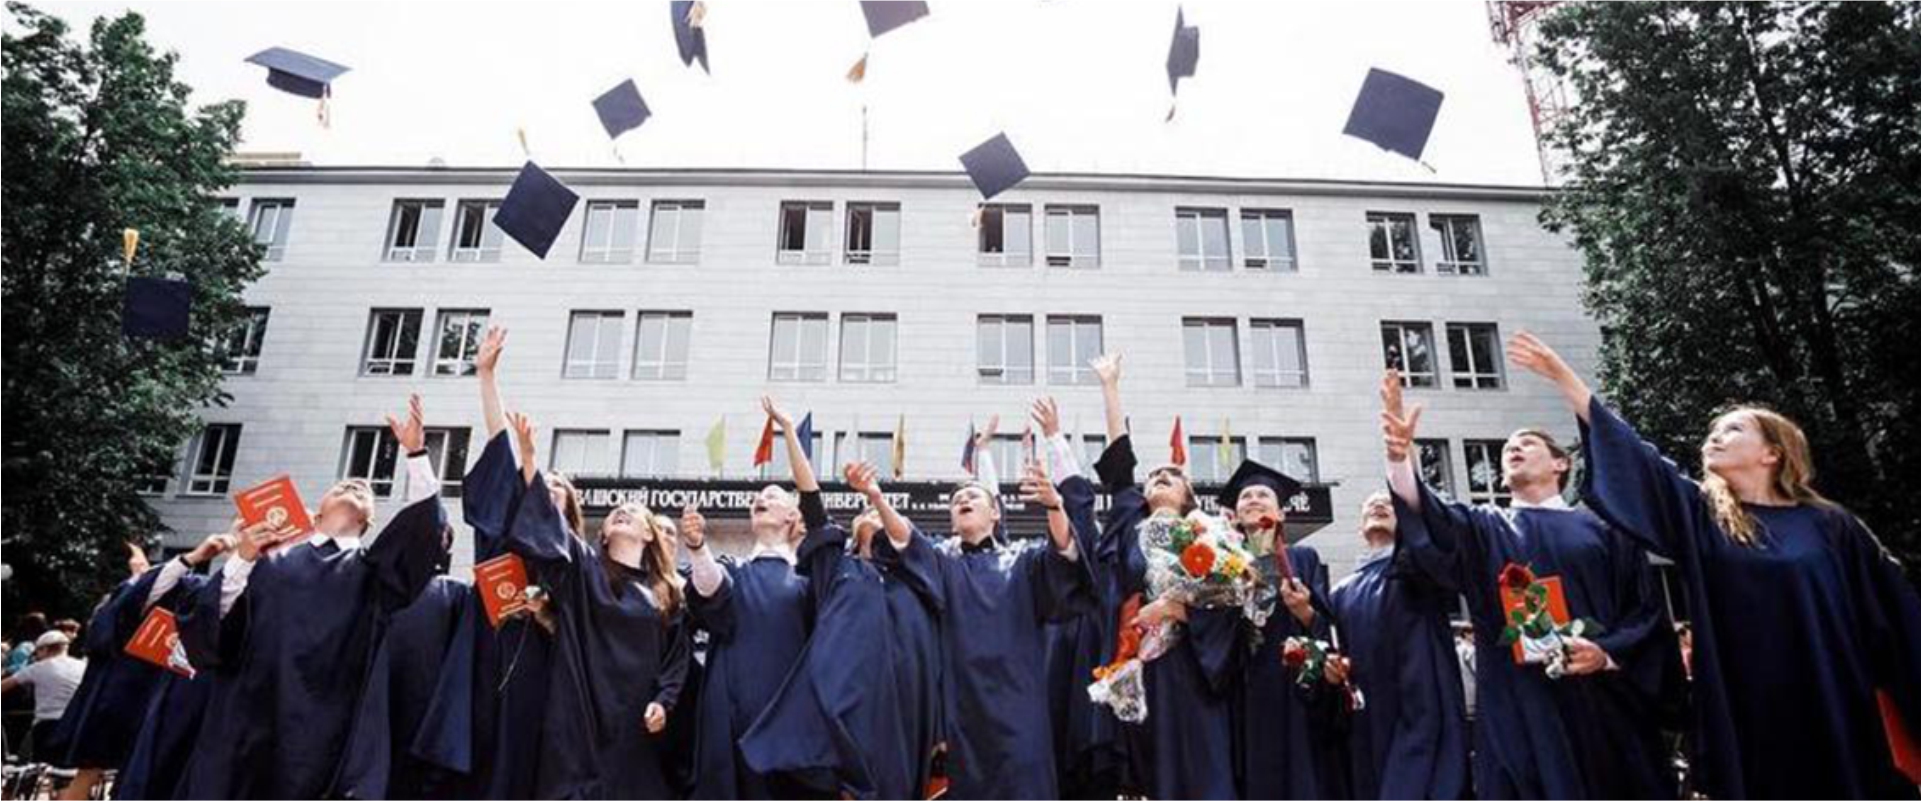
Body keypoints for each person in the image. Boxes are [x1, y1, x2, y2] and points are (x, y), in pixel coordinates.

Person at [1508, 329, 1921, 798]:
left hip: (1831, 697)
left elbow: (1894, 613)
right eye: (1713, 432)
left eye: (1732, 430)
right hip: (1748, 709)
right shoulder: (1702, 517)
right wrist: (1563, 378)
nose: (1714, 438)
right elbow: (1637, 460)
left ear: (1772, 453)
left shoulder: (1830, 524)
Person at [1382, 366, 1678, 799]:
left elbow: (1646, 614)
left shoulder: (1607, 531)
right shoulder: (1485, 528)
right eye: (1507, 448)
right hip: (1519, 708)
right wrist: (1399, 457)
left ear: (1561, 463)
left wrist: (1607, 653)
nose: (1513, 448)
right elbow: (1427, 515)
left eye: (1527, 442)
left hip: (1603, 707)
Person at [175, 394, 450, 799]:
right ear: (316, 514)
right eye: (342, 484)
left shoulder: (376, 577)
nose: (356, 484)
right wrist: (241, 559)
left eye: (365, 491)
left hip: (325, 738)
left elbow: (425, 530)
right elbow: (211, 633)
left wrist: (416, 454)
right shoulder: (266, 561)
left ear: (370, 521)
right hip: (249, 723)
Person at [873, 402, 1093, 799]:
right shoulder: (943, 560)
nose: (963, 500)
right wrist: (875, 495)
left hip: (1021, 700)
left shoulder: (1024, 558)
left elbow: (1064, 553)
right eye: (956, 499)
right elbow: (904, 538)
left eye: (973, 495)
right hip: (964, 705)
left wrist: (1055, 505)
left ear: (996, 514)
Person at [735, 396, 947, 800]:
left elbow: (908, 542)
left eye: (882, 516)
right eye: (866, 512)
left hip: (904, 709)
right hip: (845, 709)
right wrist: (789, 430)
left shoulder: (918, 577)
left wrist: (878, 496)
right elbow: (811, 499)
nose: (872, 515)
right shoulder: (839, 567)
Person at [503, 411, 690, 799]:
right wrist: (529, 458)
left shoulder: (666, 591)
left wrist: (664, 701)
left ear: (649, 534)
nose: (623, 511)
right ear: (602, 533)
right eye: (616, 512)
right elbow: (547, 522)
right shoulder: (582, 568)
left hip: (634, 722)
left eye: (635, 512)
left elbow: (676, 657)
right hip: (579, 713)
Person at [682, 400, 814, 801]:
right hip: (730, 713)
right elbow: (710, 590)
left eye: (773, 495)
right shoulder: (732, 568)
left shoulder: (809, 578)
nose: (762, 498)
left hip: (790, 714)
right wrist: (697, 547)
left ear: (793, 517)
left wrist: (787, 430)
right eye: (758, 496)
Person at [40, 537, 230, 801]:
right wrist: (190, 559)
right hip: (129, 699)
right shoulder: (184, 591)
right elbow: (137, 602)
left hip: (180, 711)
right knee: (93, 775)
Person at [1328, 491, 1471, 800]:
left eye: (1389, 504)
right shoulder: (1340, 592)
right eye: (1370, 503)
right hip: (1369, 713)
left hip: (1422, 703)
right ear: (1360, 528)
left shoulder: (1418, 570)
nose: (1379, 504)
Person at [0, 631, 86, 761]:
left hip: (48, 725)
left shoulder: (37, 668)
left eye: (37, 652)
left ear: (44, 649)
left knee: (42, 765)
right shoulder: (82, 666)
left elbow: (5, 686)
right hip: (79, 724)